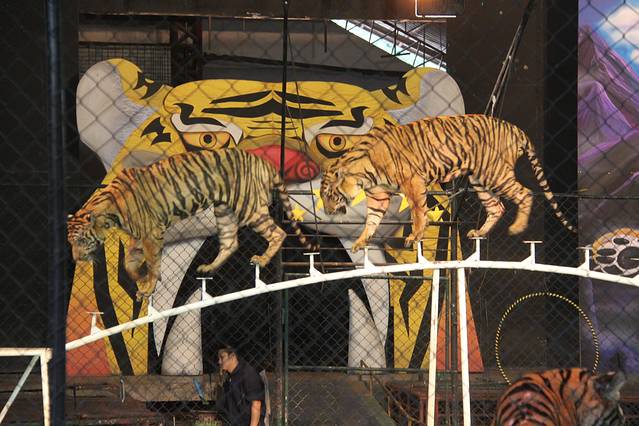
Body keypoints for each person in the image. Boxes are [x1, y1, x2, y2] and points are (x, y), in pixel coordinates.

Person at [216, 347, 266, 426]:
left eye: (222, 358)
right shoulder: (229, 376)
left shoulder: (248, 374)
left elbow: (256, 404)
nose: (219, 362)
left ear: (232, 356)